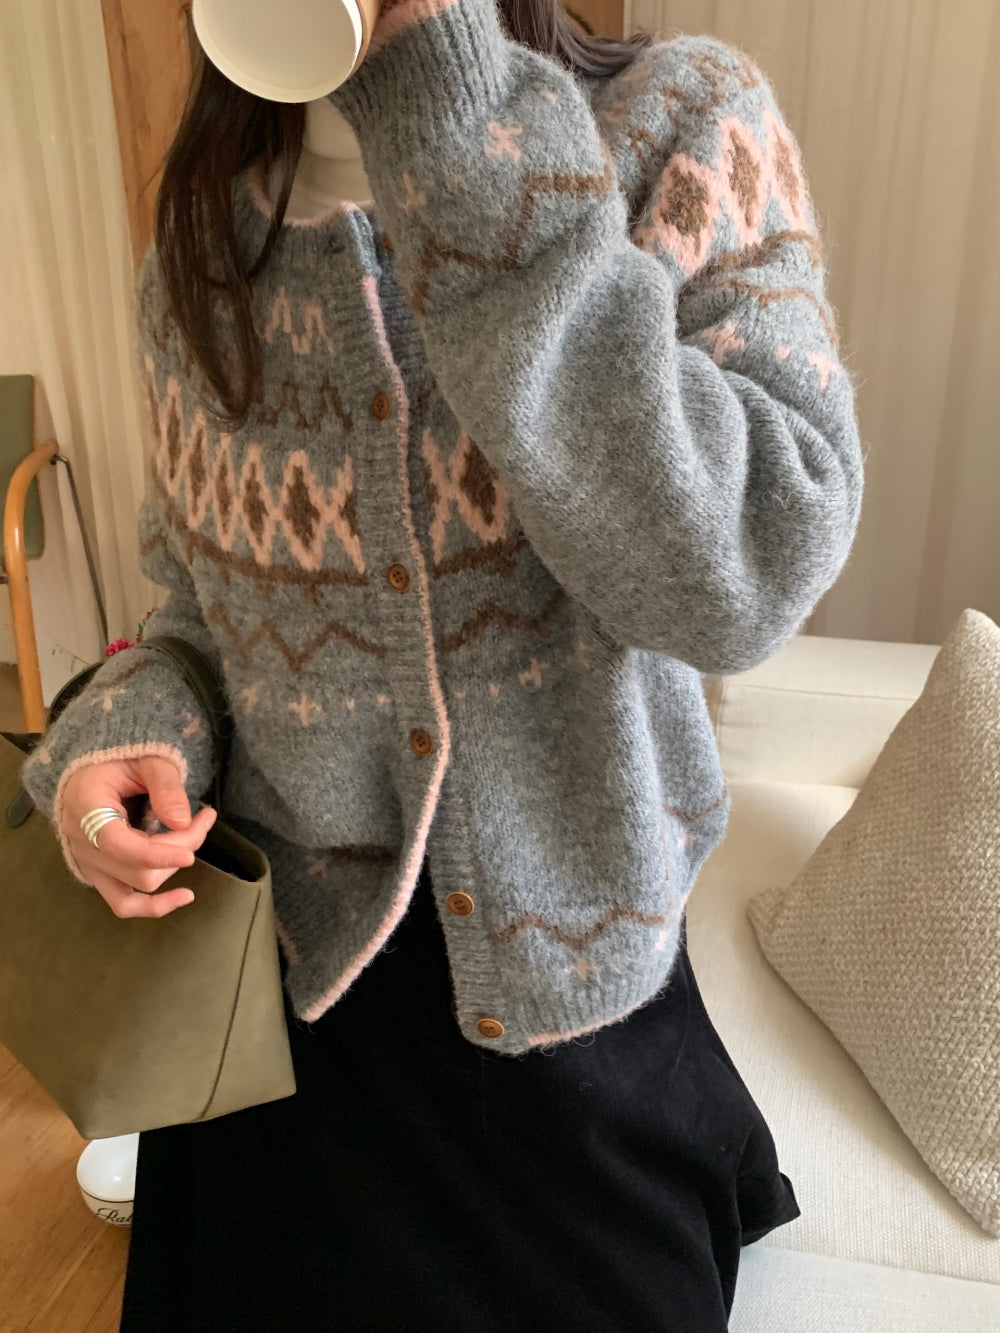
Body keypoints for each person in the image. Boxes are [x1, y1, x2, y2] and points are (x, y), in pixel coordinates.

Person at [22, 0, 863, 1326]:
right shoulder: (202, 250)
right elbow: (192, 609)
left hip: (577, 1032)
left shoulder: (680, 127)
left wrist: (457, 120)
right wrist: (130, 733)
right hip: (282, 1027)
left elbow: (748, 570)